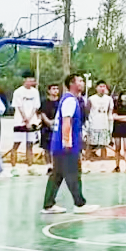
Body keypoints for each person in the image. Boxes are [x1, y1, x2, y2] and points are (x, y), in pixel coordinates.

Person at [42, 74, 99, 214]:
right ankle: (79, 204)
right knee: (73, 173)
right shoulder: (70, 101)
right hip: (66, 144)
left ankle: (48, 204)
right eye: (80, 80)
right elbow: (66, 122)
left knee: (57, 175)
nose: (83, 83)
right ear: (72, 84)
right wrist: (67, 141)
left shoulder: (70, 100)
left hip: (59, 143)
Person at [87, 81, 114, 165]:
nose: (102, 88)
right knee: (90, 144)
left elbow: (110, 112)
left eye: (104, 86)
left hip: (104, 124)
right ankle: (87, 161)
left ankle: (103, 163)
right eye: (100, 86)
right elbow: (87, 111)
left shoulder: (109, 99)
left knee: (103, 145)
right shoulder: (91, 99)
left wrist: (110, 125)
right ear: (96, 88)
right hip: (93, 125)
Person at [38, 83, 62, 173]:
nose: (55, 90)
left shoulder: (61, 102)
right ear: (49, 90)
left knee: (57, 148)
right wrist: (48, 121)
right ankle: (49, 166)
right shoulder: (44, 102)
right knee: (46, 148)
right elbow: (42, 113)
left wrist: (56, 121)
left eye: (57, 88)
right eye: (53, 88)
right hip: (46, 128)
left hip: (58, 128)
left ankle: (57, 166)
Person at [111, 92, 126, 172]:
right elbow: (114, 117)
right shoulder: (116, 105)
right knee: (117, 148)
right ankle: (117, 166)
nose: (125, 97)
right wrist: (125, 117)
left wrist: (120, 118)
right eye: (123, 95)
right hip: (117, 128)